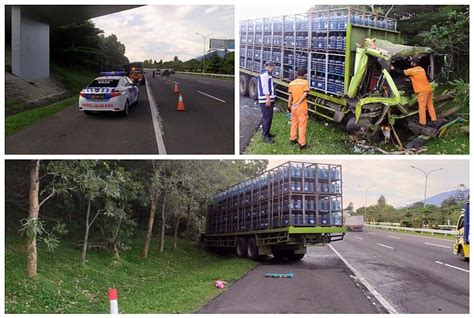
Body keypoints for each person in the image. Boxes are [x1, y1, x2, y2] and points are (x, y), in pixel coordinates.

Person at [392, 56, 437, 126]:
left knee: (421, 107)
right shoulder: (422, 69)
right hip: (428, 89)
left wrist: (393, 68)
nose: (411, 63)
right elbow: (415, 77)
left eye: (411, 62)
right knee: (430, 105)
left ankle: (422, 123)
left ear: (414, 63)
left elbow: (402, 72)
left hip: (422, 91)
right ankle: (434, 120)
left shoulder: (412, 71)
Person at [288, 68, 310, 149]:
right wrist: (299, 103)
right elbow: (305, 94)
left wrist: (289, 106)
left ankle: (293, 138)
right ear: (304, 74)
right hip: (301, 107)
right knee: (302, 125)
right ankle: (302, 143)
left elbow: (290, 96)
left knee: (294, 123)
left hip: (293, 107)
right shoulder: (305, 82)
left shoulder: (291, 83)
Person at [257, 61, 276, 143]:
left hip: (267, 99)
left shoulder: (266, 73)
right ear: (269, 66)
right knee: (267, 117)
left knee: (268, 117)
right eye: (273, 66)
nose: (273, 68)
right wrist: (268, 98)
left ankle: (266, 133)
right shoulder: (265, 74)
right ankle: (265, 136)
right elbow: (265, 87)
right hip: (265, 99)